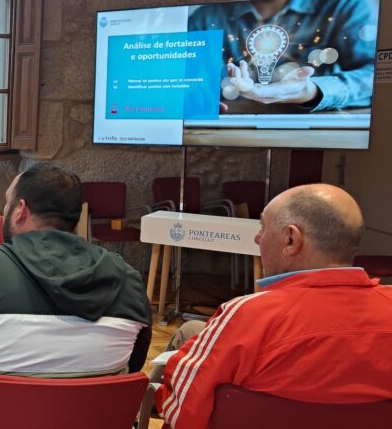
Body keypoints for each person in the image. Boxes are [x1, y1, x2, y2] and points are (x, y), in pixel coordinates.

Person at [0, 163, 152, 429]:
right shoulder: (129, 281)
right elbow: (133, 366)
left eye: (7, 202)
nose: (4, 210)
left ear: (20, 210)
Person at [155, 184, 392, 429]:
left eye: (263, 227)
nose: (258, 238)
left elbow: (182, 413)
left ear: (291, 239)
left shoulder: (246, 315)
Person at [187, 0, 379, 113]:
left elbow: (375, 75)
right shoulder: (205, 18)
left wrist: (313, 91)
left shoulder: (346, 4)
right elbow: (188, 81)